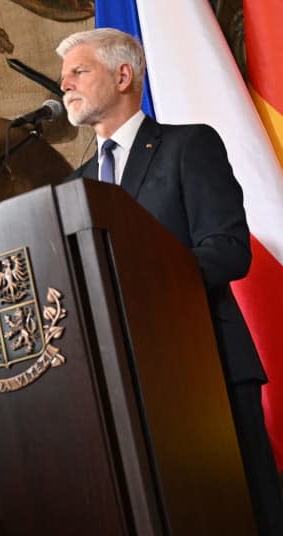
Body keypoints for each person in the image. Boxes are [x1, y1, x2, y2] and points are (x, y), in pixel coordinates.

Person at [56, 27, 283, 534]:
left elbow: (227, 251)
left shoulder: (187, 145)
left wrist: (137, 279)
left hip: (207, 368)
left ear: (122, 75)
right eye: (63, 76)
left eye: (78, 71)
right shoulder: (74, 188)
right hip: (123, 384)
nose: (64, 85)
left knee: (249, 512)